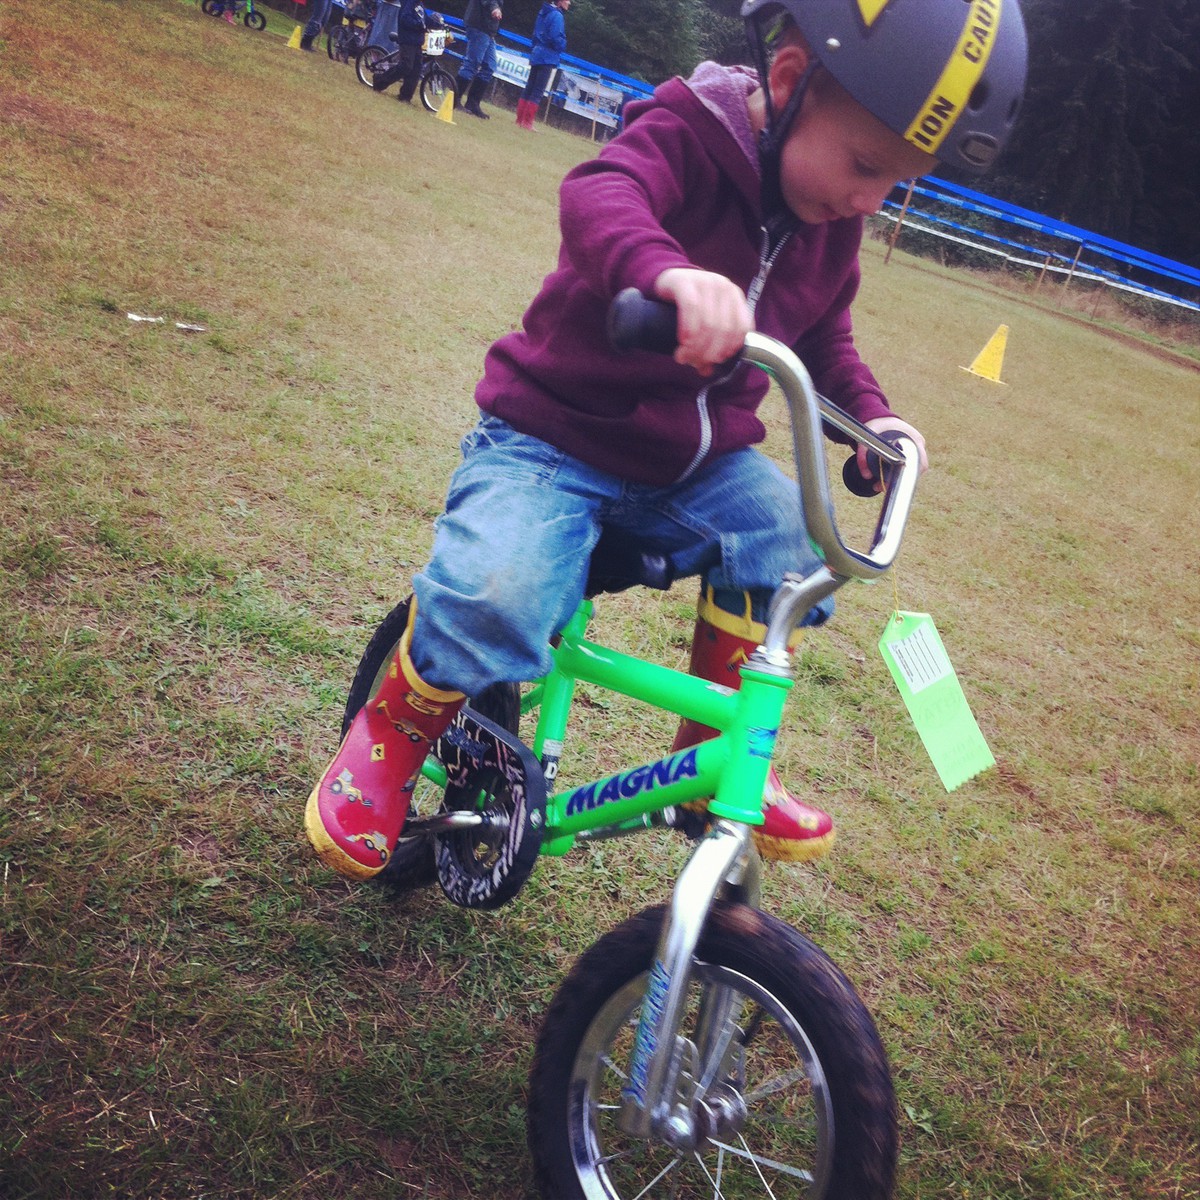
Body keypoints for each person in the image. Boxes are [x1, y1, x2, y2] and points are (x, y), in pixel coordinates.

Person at [305, 0, 1028, 881]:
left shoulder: (831, 223)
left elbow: (824, 335)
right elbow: (600, 193)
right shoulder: (688, 130)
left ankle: (709, 752)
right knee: (499, 589)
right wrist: (668, 271)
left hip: (694, 466)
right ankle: (386, 735)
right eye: (867, 165)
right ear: (791, 84)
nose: (870, 199)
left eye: (898, 184)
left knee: (788, 539)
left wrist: (870, 415)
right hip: (554, 437)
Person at [515, 0, 570, 129]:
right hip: (548, 56)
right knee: (538, 90)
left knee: (530, 86)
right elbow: (555, 37)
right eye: (567, 0)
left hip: (537, 52)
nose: (569, 3)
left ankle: (520, 119)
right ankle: (527, 122)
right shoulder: (557, 15)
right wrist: (563, 44)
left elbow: (536, 33)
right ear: (560, 2)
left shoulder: (543, 12)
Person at [369, 0, 428, 103]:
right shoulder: (408, 3)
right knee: (405, 66)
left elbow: (425, 19)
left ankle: (405, 96)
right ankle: (379, 81)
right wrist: (419, 24)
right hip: (407, 40)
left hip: (417, 42)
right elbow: (404, 19)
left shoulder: (419, 5)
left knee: (416, 69)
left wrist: (438, 24)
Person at [457, 0, 503, 119]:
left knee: (490, 66)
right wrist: (494, 8)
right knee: (472, 63)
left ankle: (473, 103)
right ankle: (454, 99)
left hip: (488, 29)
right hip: (479, 26)